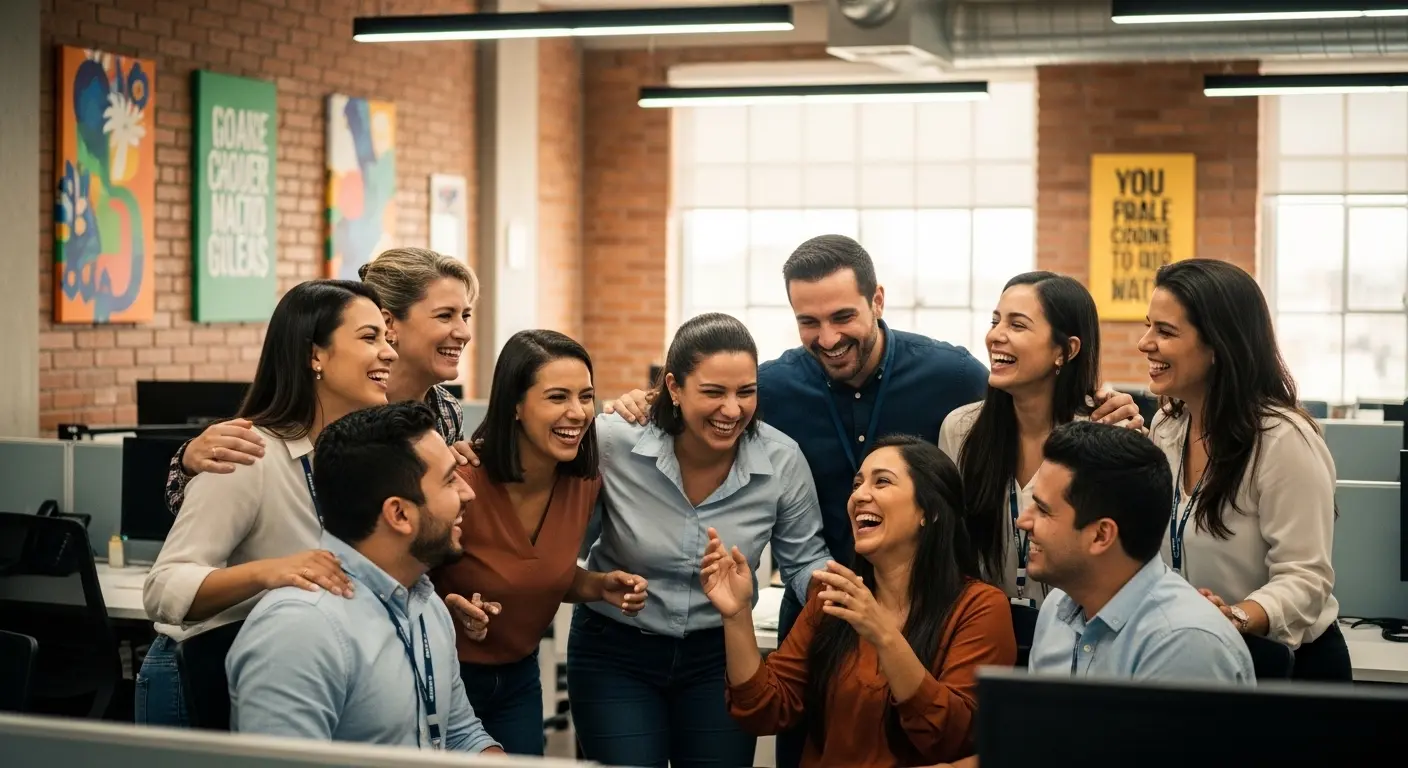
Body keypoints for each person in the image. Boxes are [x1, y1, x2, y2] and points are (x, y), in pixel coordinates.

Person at [604, 237, 1142, 767]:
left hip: (942, 615)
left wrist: (1101, 399)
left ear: (877, 301)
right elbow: (713, 399)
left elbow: (1028, 390)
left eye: (843, 316)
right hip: (825, 607)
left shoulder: (954, 380)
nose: (828, 337)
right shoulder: (771, 387)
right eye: (808, 322)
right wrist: (649, 403)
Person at [567, 312, 832, 768]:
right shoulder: (613, 442)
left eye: (745, 392)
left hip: (720, 658)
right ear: (673, 387)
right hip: (616, 651)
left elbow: (804, 559)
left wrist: (835, 591)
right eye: (713, 392)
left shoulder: (781, 459)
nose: (732, 410)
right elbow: (562, 546)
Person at [139, 280, 396, 727]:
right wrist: (269, 573)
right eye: (370, 337)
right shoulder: (248, 453)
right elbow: (163, 588)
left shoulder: (352, 459)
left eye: (387, 339)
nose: (390, 353)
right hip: (200, 674)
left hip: (285, 668)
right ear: (315, 355)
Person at [701, 435, 1016, 767]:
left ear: (931, 512)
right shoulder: (834, 598)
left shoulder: (980, 607)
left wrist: (883, 634)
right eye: (856, 484)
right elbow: (764, 711)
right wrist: (736, 616)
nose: (859, 496)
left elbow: (952, 737)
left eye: (882, 482)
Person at [226, 402, 502, 754]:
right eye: (450, 480)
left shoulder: (425, 604)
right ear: (399, 514)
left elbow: (461, 735)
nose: (468, 493)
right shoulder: (300, 630)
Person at [431, 329, 648, 755]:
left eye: (585, 396)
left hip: (518, 682)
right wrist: (447, 606)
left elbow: (535, 574)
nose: (578, 412)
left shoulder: (583, 483)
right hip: (443, 677)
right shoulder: (461, 481)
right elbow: (397, 584)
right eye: (557, 397)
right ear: (515, 404)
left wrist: (597, 586)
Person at [1141, 259, 1348, 680]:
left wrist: (1235, 617)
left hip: (1282, 666)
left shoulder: (1284, 439)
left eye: (1165, 331)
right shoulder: (1167, 426)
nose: (1145, 343)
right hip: (1197, 655)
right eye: (1149, 327)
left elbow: (1305, 578)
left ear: (1218, 345)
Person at [161, 247, 480, 513]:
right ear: (388, 322)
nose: (464, 332)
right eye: (445, 315)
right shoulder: (332, 404)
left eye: (465, 315)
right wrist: (189, 464)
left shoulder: (445, 411)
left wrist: (456, 471)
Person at [1021, 421, 1255, 684]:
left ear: (1101, 535)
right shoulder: (1057, 609)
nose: (1023, 521)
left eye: (1043, 510)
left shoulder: (1184, 645)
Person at [938, 272, 1104, 608]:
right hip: (984, 627)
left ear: (1066, 350)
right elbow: (949, 548)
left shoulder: (1102, 437)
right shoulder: (961, 429)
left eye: (1017, 325)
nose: (995, 336)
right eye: (995, 321)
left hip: (1077, 632)